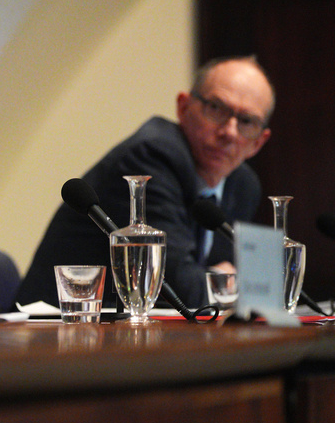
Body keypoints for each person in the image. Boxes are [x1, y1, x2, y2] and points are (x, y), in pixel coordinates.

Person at [15, 56, 274, 309]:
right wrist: (225, 281)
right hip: (62, 328)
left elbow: (235, 289)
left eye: (246, 121)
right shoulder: (151, 157)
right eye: (216, 108)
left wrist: (220, 281)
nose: (229, 131)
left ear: (258, 142)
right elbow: (178, 290)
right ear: (183, 107)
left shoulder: (243, 186)